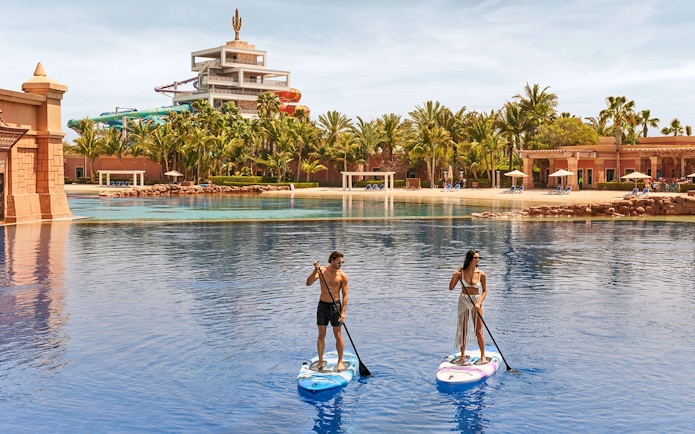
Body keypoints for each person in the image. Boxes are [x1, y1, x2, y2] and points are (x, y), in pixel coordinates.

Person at [306, 251, 349, 372]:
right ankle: (320, 361)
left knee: (338, 334)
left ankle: (340, 361)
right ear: (332, 260)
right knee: (321, 334)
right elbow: (308, 283)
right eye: (339, 262)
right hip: (322, 306)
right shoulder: (321, 271)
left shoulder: (342, 276)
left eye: (342, 262)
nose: (341, 264)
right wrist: (315, 270)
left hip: (335, 306)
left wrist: (343, 312)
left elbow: (345, 295)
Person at [449, 250, 488, 364]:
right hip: (463, 300)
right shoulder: (461, 272)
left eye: (478, 257)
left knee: (479, 331)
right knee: (463, 329)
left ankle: (483, 356)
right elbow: (451, 288)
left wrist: (479, 303)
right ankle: (462, 355)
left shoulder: (481, 274)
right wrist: (454, 277)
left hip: (476, 300)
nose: (478, 259)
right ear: (470, 259)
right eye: (475, 257)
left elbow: (485, 291)